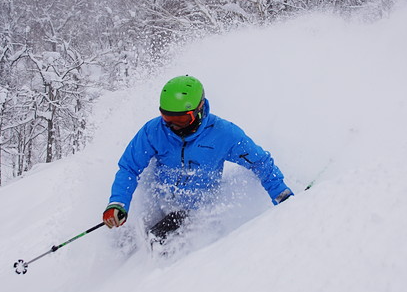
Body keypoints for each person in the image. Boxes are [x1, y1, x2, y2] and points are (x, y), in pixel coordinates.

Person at [102, 75, 293, 244]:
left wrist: (282, 196)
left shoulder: (223, 134)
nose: (173, 126)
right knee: (123, 240)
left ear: (199, 109)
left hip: (195, 209)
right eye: (167, 117)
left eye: (182, 120)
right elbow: (129, 168)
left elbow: (260, 162)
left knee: (156, 239)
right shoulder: (154, 131)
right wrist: (118, 203)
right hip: (159, 201)